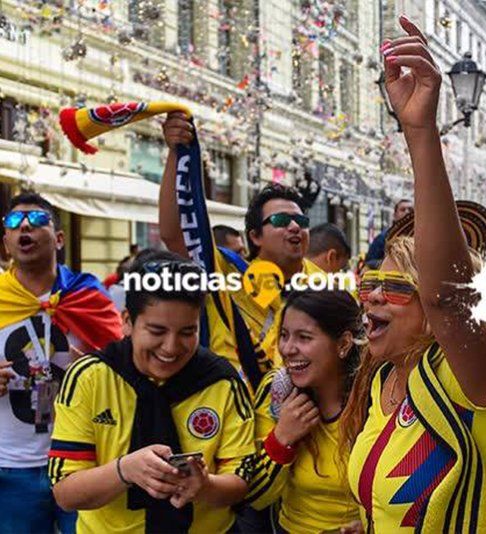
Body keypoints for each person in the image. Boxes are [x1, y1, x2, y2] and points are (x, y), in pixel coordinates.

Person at [341, 18, 486, 531]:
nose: (371, 298)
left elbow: (448, 298)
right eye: (369, 284)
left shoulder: (472, 379)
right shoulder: (381, 386)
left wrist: (420, 133)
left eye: (394, 288)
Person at [48, 251, 255, 533]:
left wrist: (205, 486)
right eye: (157, 330)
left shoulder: (223, 382)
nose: (171, 347)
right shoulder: (90, 377)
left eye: (187, 332)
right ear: (127, 322)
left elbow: (240, 481)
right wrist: (124, 470)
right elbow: (65, 493)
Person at [158, 118, 326, 382]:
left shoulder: (327, 286)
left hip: (301, 415)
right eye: (281, 221)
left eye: (302, 222)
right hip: (232, 413)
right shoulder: (226, 273)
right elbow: (175, 233)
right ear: (255, 236)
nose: (295, 227)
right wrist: (176, 153)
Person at [0, 192, 122, 534]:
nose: (25, 226)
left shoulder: (89, 296)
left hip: (83, 461)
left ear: (59, 238)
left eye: (37, 220)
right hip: (11, 468)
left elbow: (127, 366)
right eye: (14, 222)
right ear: (6, 241)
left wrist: (100, 369)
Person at [244, 290, 362, 533]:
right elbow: (256, 496)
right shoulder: (277, 391)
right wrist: (282, 439)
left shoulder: (375, 395)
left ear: (343, 344)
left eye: (304, 338)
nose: (287, 349)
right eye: (284, 335)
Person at [364, 199, 413, 268]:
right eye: (403, 209)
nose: (407, 212)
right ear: (395, 215)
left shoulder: (418, 236)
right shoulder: (383, 237)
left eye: (410, 210)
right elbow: (369, 262)